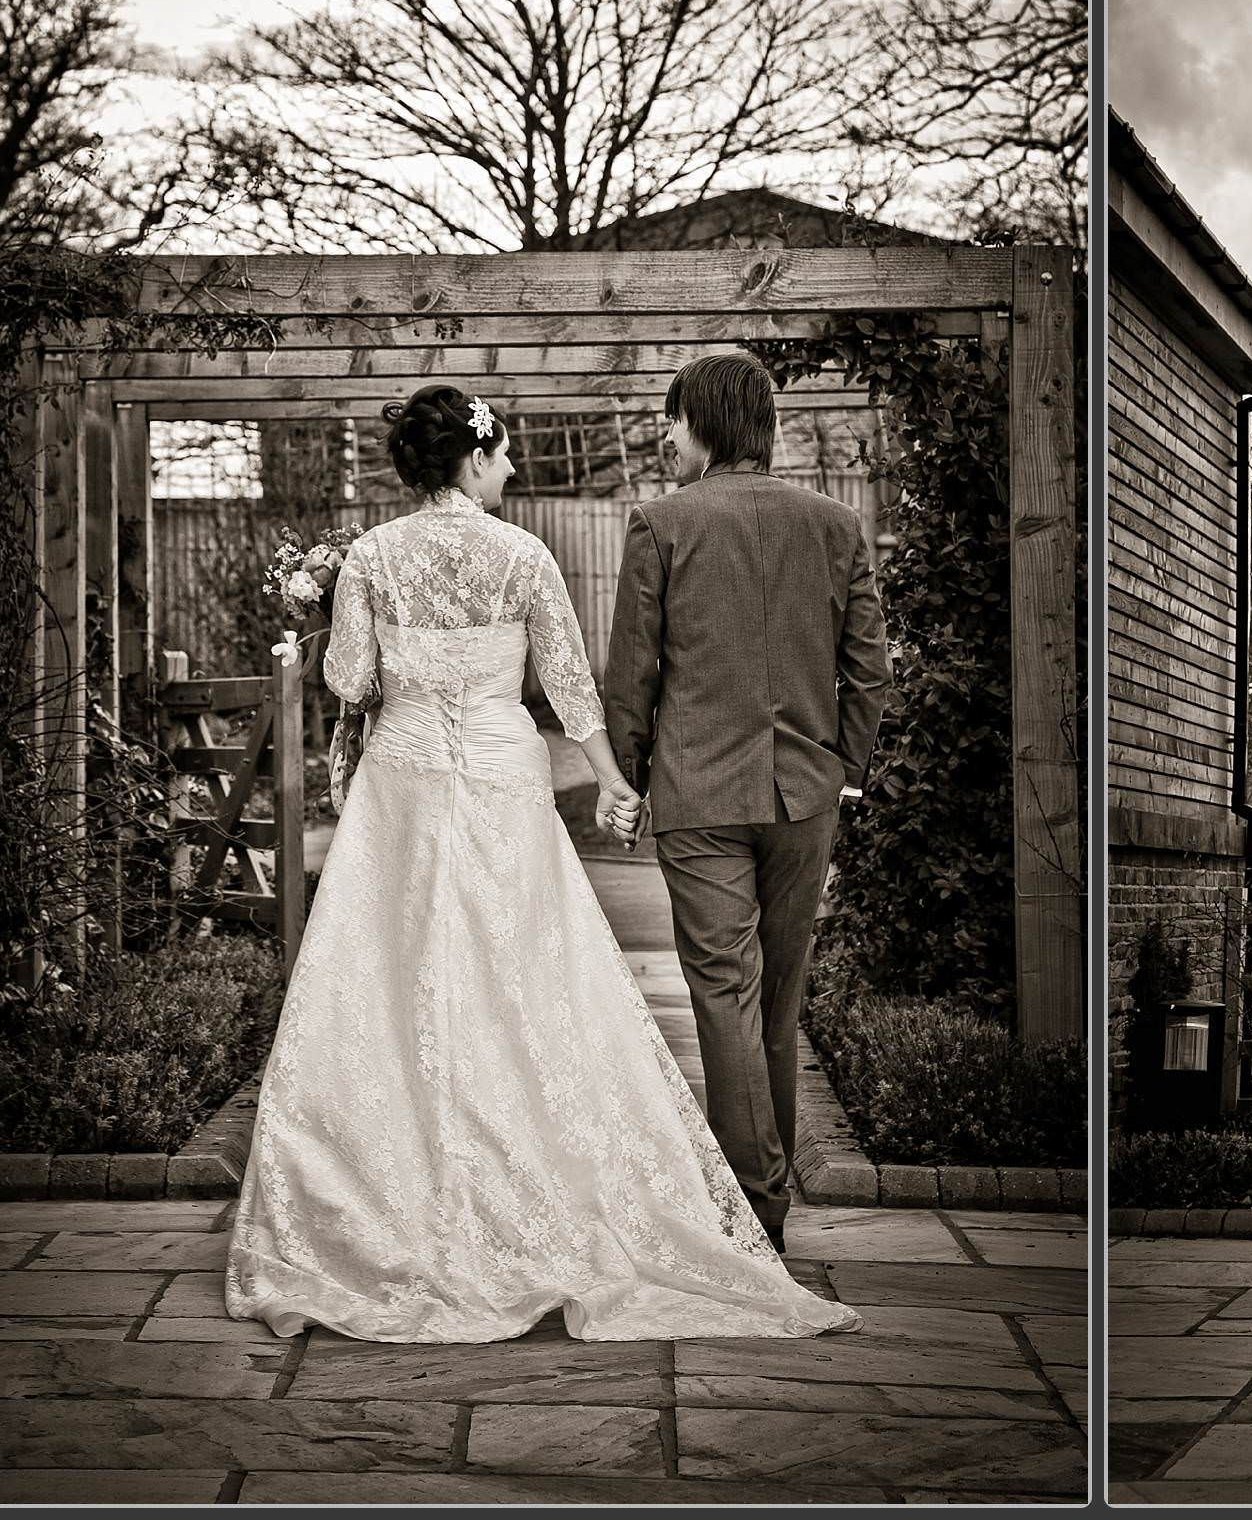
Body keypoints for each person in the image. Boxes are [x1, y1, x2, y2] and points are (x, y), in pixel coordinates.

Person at [225, 384, 859, 1343]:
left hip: (400, 788)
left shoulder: (370, 556)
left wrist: (333, 616)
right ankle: (569, 1190)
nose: (514, 470)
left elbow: (349, 679)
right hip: (498, 780)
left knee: (390, 984)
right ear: (472, 460)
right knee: (524, 979)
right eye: (506, 455)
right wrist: (614, 781)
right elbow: (574, 689)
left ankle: (384, 1194)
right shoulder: (522, 556)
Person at [604, 351, 890, 1256]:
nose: (665, 437)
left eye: (674, 421)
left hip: (698, 792)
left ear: (707, 426)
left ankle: (753, 1201)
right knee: (777, 994)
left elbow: (631, 673)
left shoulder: (660, 523)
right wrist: (843, 767)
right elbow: (870, 670)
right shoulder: (837, 524)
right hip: (806, 795)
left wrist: (631, 775)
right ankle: (760, 1191)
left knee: (724, 991)